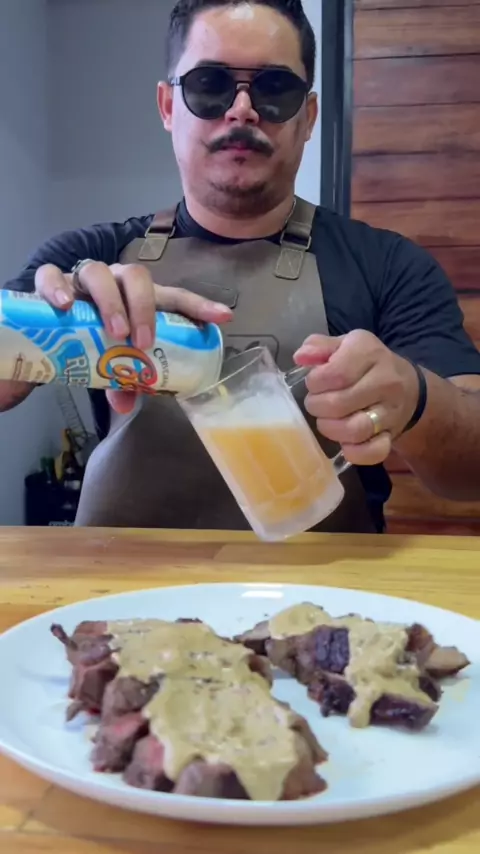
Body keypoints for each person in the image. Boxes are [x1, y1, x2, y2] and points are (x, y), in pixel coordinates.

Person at [3, 0, 480, 532]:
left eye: (275, 88)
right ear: (168, 106)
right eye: (210, 84)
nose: (242, 110)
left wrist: (416, 399)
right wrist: (49, 327)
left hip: (322, 584)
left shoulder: (388, 266)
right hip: (122, 580)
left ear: (309, 118)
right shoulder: (84, 258)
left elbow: (472, 469)